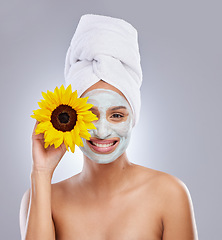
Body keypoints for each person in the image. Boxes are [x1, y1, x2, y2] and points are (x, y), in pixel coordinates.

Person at [19, 14, 198, 240]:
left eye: (116, 115)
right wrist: (41, 173)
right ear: (70, 119)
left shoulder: (169, 194)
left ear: (133, 118)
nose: (102, 131)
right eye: (90, 116)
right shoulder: (40, 199)